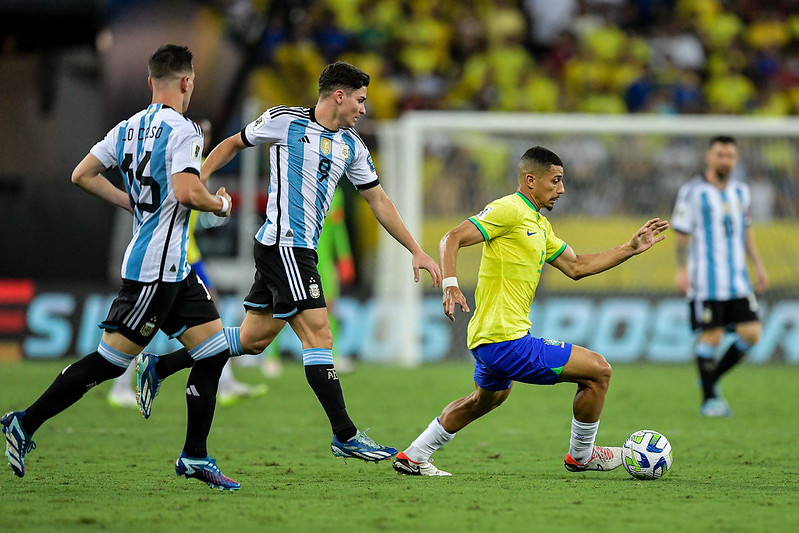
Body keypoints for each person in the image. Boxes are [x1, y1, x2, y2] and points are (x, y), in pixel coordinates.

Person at [134, 61, 441, 463]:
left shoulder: (353, 146)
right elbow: (232, 143)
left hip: (296, 249)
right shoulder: (284, 120)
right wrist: (198, 179)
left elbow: (378, 201)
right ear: (339, 95)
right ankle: (345, 434)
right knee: (320, 335)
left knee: (252, 340)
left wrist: (415, 249)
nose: (363, 109)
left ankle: (158, 365)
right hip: (286, 246)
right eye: (360, 101)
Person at [1, 45, 240, 491]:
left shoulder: (127, 128)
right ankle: (24, 422)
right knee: (108, 363)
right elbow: (189, 192)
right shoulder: (186, 129)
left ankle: (194, 455)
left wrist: (128, 201)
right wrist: (221, 204)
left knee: (213, 350)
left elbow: (82, 174)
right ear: (187, 82)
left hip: (173, 269)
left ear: (151, 82)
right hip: (153, 271)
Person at [392, 146, 669, 476]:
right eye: (555, 181)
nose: (561, 189)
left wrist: (630, 249)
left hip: (489, 339)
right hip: (504, 339)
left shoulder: (540, 225)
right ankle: (582, 456)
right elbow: (451, 238)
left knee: (488, 398)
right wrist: (450, 282)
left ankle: (414, 455)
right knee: (599, 371)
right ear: (530, 180)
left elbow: (577, 266)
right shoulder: (507, 210)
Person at [106, 119, 266, 408]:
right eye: (199, 132)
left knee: (207, 320)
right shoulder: (185, 168)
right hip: (173, 255)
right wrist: (220, 205)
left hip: (187, 254)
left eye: (205, 133)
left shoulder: (197, 165)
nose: (202, 138)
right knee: (143, 326)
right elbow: (189, 198)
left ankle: (224, 383)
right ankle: (123, 384)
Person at [672, 135, 768, 417]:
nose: (724, 160)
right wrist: (680, 269)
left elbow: (746, 230)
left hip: (737, 279)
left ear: (735, 160)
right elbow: (681, 234)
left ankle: (709, 378)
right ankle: (710, 400)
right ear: (709, 158)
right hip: (706, 281)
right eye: (720, 155)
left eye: (729, 156)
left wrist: (758, 265)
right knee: (711, 337)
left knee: (752, 334)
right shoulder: (692, 192)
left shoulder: (741, 192)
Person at [261, 187, 356, 377]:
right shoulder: (296, 188)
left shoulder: (336, 195)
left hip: (325, 261)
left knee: (330, 307)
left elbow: (338, 228)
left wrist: (345, 256)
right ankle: (271, 357)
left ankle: (333, 355)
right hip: (297, 257)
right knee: (285, 306)